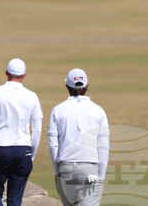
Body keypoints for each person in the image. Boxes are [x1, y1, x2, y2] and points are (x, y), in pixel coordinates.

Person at [0, 59, 43, 206]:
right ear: (24, 75)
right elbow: (37, 130)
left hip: (0, 151)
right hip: (23, 152)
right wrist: (32, 155)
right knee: (15, 199)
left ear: (6, 73)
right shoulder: (32, 96)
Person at [47, 69, 109, 206]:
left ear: (67, 87)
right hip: (90, 171)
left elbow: (53, 145)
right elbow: (103, 146)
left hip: (65, 170)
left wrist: (57, 172)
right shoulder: (99, 111)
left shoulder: (58, 110)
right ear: (87, 86)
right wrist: (102, 175)